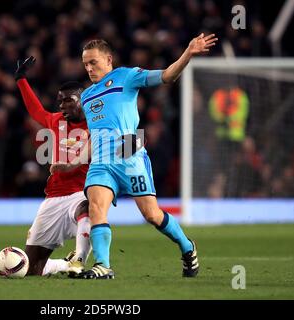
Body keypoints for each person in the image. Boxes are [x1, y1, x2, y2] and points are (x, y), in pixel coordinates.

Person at [77, 34, 218, 279]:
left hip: (129, 152)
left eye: (93, 62)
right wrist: (73, 161)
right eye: (86, 64)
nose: (89, 68)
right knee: (96, 207)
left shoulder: (126, 76)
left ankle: (187, 246)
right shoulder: (87, 96)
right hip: (101, 161)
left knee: (151, 214)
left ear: (108, 59)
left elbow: (167, 76)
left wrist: (188, 53)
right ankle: (103, 266)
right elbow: (94, 135)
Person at [14, 57, 92, 277]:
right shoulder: (56, 120)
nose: (62, 105)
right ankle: (64, 265)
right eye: (60, 101)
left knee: (88, 208)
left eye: (68, 100)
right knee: (31, 269)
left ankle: (79, 260)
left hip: (81, 192)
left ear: (83, 100)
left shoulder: (96, 125)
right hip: (53, 198)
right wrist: (21, 80)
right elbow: (36, 111)